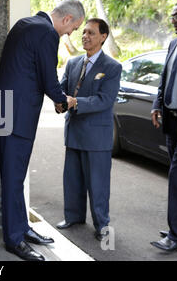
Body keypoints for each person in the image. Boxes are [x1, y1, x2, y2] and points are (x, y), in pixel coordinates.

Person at [0, 0, 85, 261]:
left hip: (3, 108)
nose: (71, 33)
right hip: (17, 114)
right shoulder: (46, 32)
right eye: (73, 28)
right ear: (66, 19)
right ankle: (14, 240)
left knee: (14, 175)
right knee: (13, 177)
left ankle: (22, 228)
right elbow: (48, 77)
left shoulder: (25, 23)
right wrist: (62, 100)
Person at [55, 18, 122, 242]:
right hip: (74, 130)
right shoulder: (73, 63)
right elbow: (62, 89)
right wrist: (59, 102)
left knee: (98, 183)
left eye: (91, 33)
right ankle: (73, 217)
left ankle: (102, 224)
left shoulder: (112, 67)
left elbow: (105, 100)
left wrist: (76, 102)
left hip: (97, 136)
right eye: (83, 32)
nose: (85, 36)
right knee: (72, 179)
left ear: (103, 37)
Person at [151, 0, 177, 252]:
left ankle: (176, 235)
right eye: (172, 16)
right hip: (172, 123)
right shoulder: (174, 43)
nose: (173, 20)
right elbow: (165, 79)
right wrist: (156, 105)